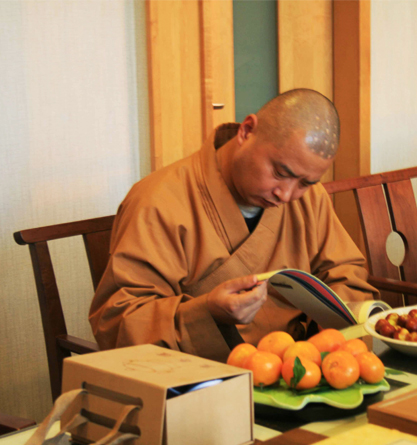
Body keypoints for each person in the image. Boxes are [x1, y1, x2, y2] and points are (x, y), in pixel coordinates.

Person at [89, 89, 377, 362]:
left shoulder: (309, 199)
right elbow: (119, 322)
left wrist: (320, 345)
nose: (287, 194)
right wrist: (206, 313)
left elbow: (346, 274)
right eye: (280, 173)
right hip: (201, 381)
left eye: (305, 183)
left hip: (301, 367)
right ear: (247, 131)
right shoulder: (158, 202)